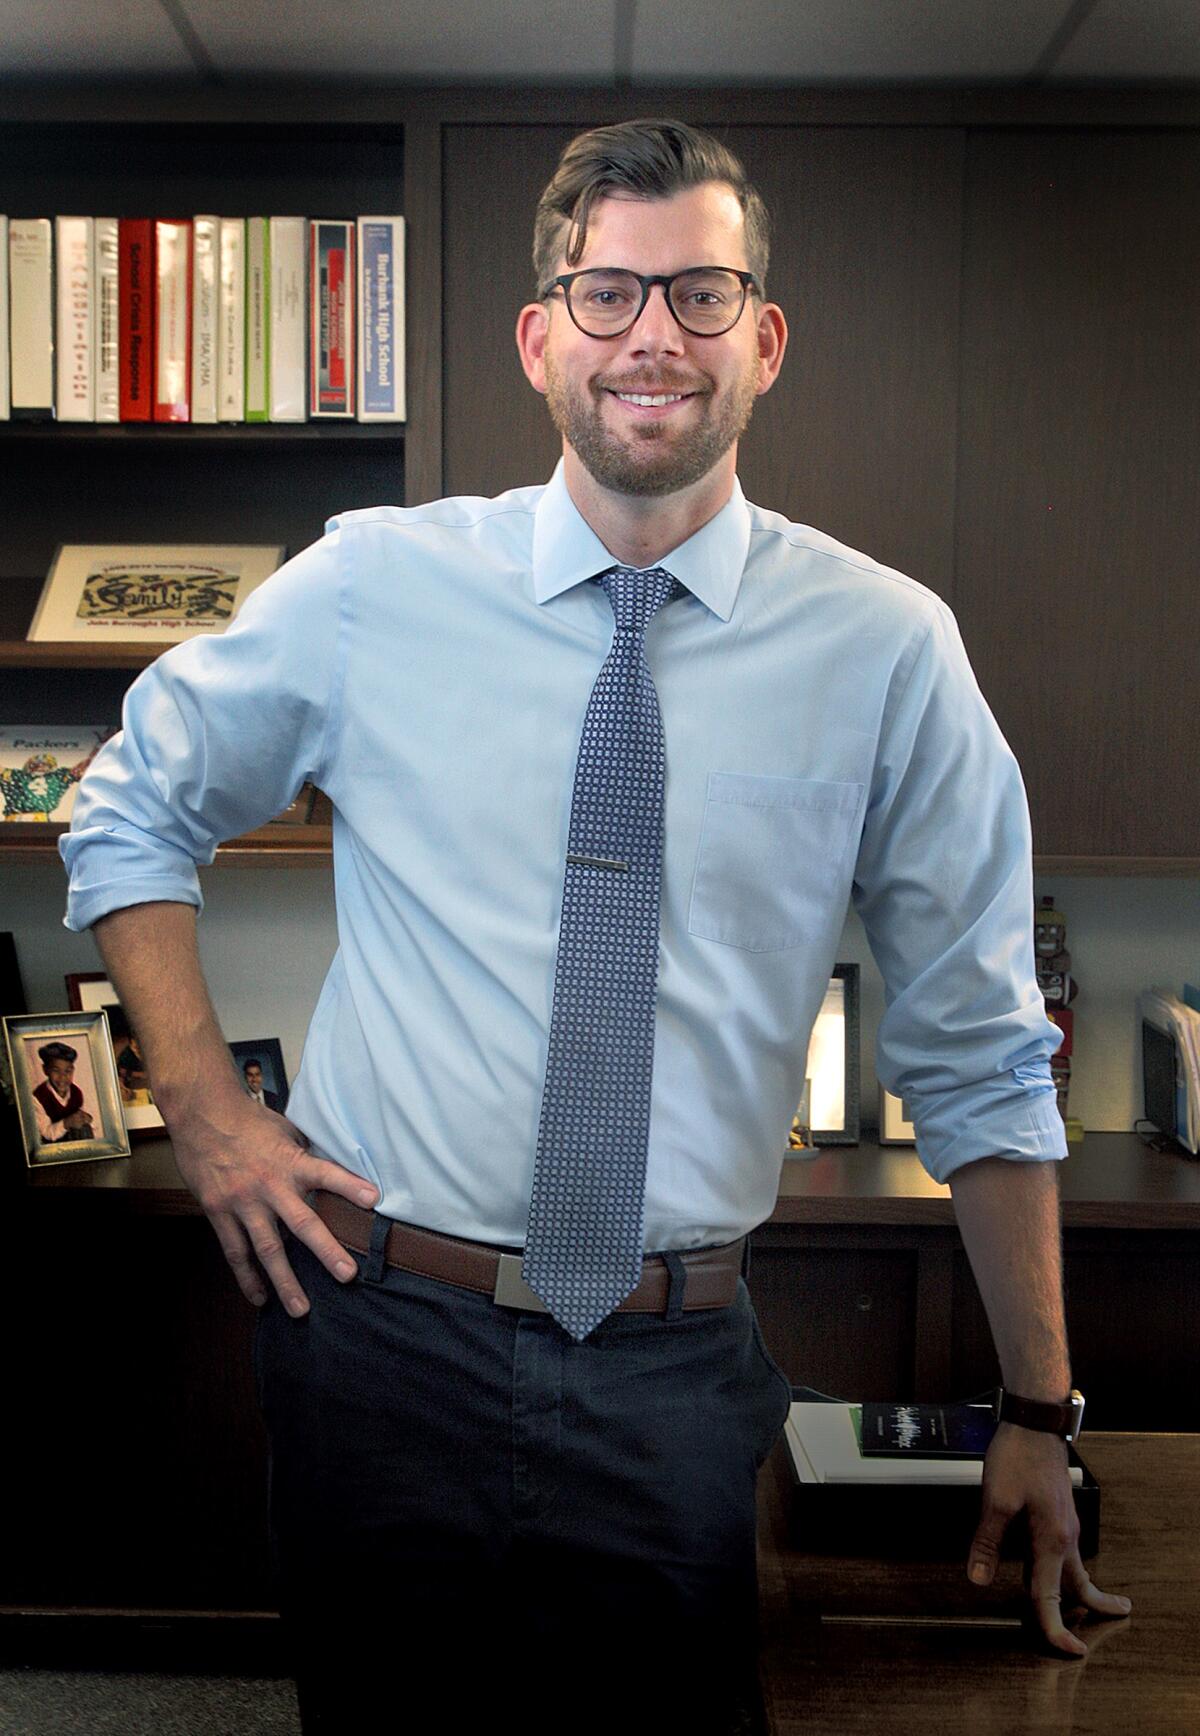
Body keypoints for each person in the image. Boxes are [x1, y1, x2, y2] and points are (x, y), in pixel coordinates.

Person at [61, 118, 1131, 1732]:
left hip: (675, 1371)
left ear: (764, 340)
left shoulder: (890, 649)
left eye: (702, 294)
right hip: (375, 1339)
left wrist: (1044, 1407)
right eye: (610, 291)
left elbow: (982, 1055)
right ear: (540, 335)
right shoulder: (373, 586)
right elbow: (130, 804)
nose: (654, 336)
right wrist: (208, 1116)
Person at [32, 1041, 94, 1142]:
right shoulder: (38, 1097)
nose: (62, 1077)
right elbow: (46, 1133)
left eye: (67, 1071)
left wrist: (86, 1118)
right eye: (56, 1071)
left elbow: (83, 1115)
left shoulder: (76, 1092)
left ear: (73, 1070)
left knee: (85, 1129)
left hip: (76, 1141)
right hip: (53, 1148)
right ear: (45, 1070)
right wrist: (66, 1123)